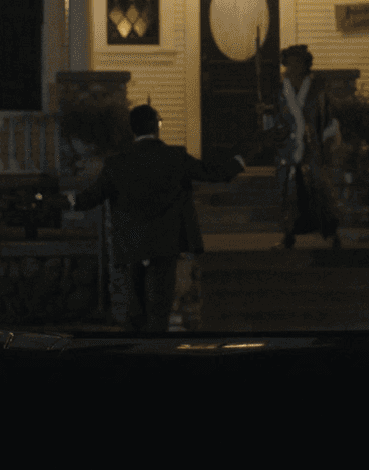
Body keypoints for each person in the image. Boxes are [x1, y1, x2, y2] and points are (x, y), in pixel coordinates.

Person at [68, 105, 243, 332]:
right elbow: (212, 173)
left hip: (131, 243)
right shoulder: (175, 157)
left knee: (135, 310)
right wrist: (238, 162)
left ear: (132, 129)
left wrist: (64, 200)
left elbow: (90, 197)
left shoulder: (117, 163)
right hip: (165, 242)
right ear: (157, 126)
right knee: (160, 308)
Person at [269, 45, 343, 250]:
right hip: (288, 147)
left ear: (304, 64)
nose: (291, 67)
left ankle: (331, 233)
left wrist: (326, 142)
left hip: (311, 148)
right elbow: (276, 115)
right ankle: (288, 234)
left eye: (296, 62)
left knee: (319, 191)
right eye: (289, 63)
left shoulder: (316, 90)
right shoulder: (282, 90)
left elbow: (327, 117)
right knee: (288, 193)